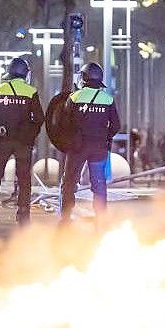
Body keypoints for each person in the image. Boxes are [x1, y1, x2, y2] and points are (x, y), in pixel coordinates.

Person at [0, 58, 45, 230]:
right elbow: (39, 118)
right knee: (24, 180)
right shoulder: (31, 91)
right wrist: (29, 133)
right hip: (23, 143)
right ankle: (23, 218)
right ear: (25, 73)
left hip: (2, 142)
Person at [59, 63, 120, 227]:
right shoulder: (108, 99)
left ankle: (65, 218)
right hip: (99, 148)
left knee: (70, 182)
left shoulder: (75, 97)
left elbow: (63, 123)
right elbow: (116, 125)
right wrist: (104, 137)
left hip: (77, 148)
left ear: (84, 78)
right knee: (99, 183)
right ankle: (101, 218)